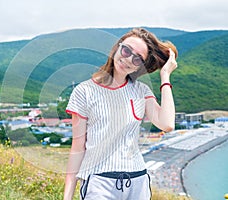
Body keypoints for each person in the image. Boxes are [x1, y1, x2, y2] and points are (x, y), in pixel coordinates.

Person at [63, 27, 178, 200]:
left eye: (137, 58)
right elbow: (77, 149)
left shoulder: (141, 91)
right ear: (117, 47)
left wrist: (165, 76)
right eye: (126, 50)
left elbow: (167, 124)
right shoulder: (84, 91)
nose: (128, 59)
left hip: (137, 182)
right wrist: (67, 197)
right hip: (99, 183)